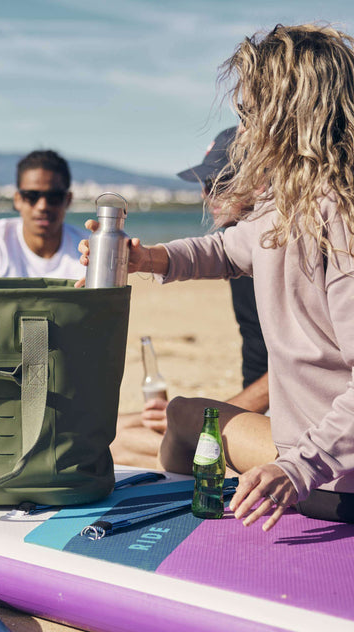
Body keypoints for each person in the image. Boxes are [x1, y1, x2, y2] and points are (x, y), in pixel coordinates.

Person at [82, 24, 354, 530]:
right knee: (192, 415)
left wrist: (297, 467)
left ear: (288, 114)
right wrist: (149, 258)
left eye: (247, 112)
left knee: (184, 417)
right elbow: (229, 248)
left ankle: (188, 534)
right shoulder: (300, 199)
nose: (242, 131)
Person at [111, 128, 270, 466]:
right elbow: (208, 254)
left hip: (288, 431)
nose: (206, 193)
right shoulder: (243, 248)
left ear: (260, 181)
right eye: (205, 183)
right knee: (116, 428)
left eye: (218, 183)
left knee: (124, 440)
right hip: (263, 416)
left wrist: (210, 416)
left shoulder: (272, 250)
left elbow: (291, 372)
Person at [0, 150, 89, 279]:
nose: (42, 206)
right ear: (18, 199)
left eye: (54, 197)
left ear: (68, 200)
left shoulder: (88, 249)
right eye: (31, 196)